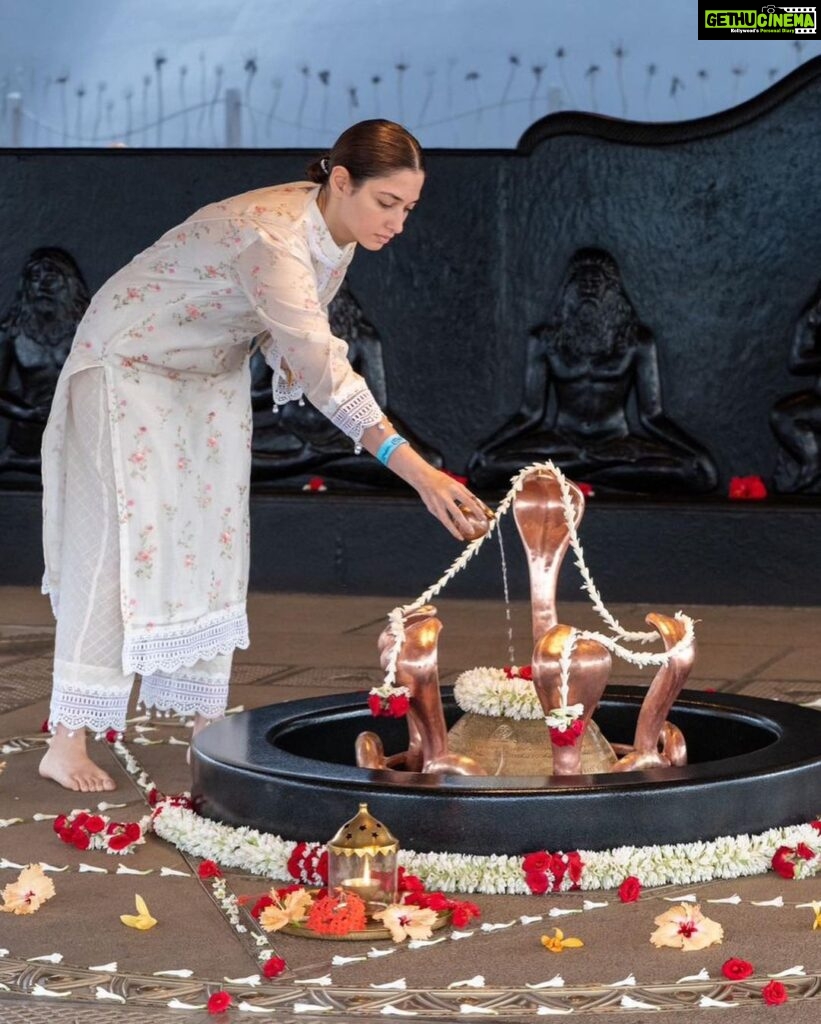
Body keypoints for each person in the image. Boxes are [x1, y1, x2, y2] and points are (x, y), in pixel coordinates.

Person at [38, 119, 489, 793]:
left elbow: (298, 351)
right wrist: (422, 476)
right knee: (118, 541)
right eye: (385, 203)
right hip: (128, 362)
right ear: (339, 181)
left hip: (206, 370)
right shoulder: (272, 239)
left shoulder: (336, 233)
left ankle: (205, 723)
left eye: (408, 209)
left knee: (210, 540)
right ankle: (66, 738)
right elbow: (325, 375)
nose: (396, 222)